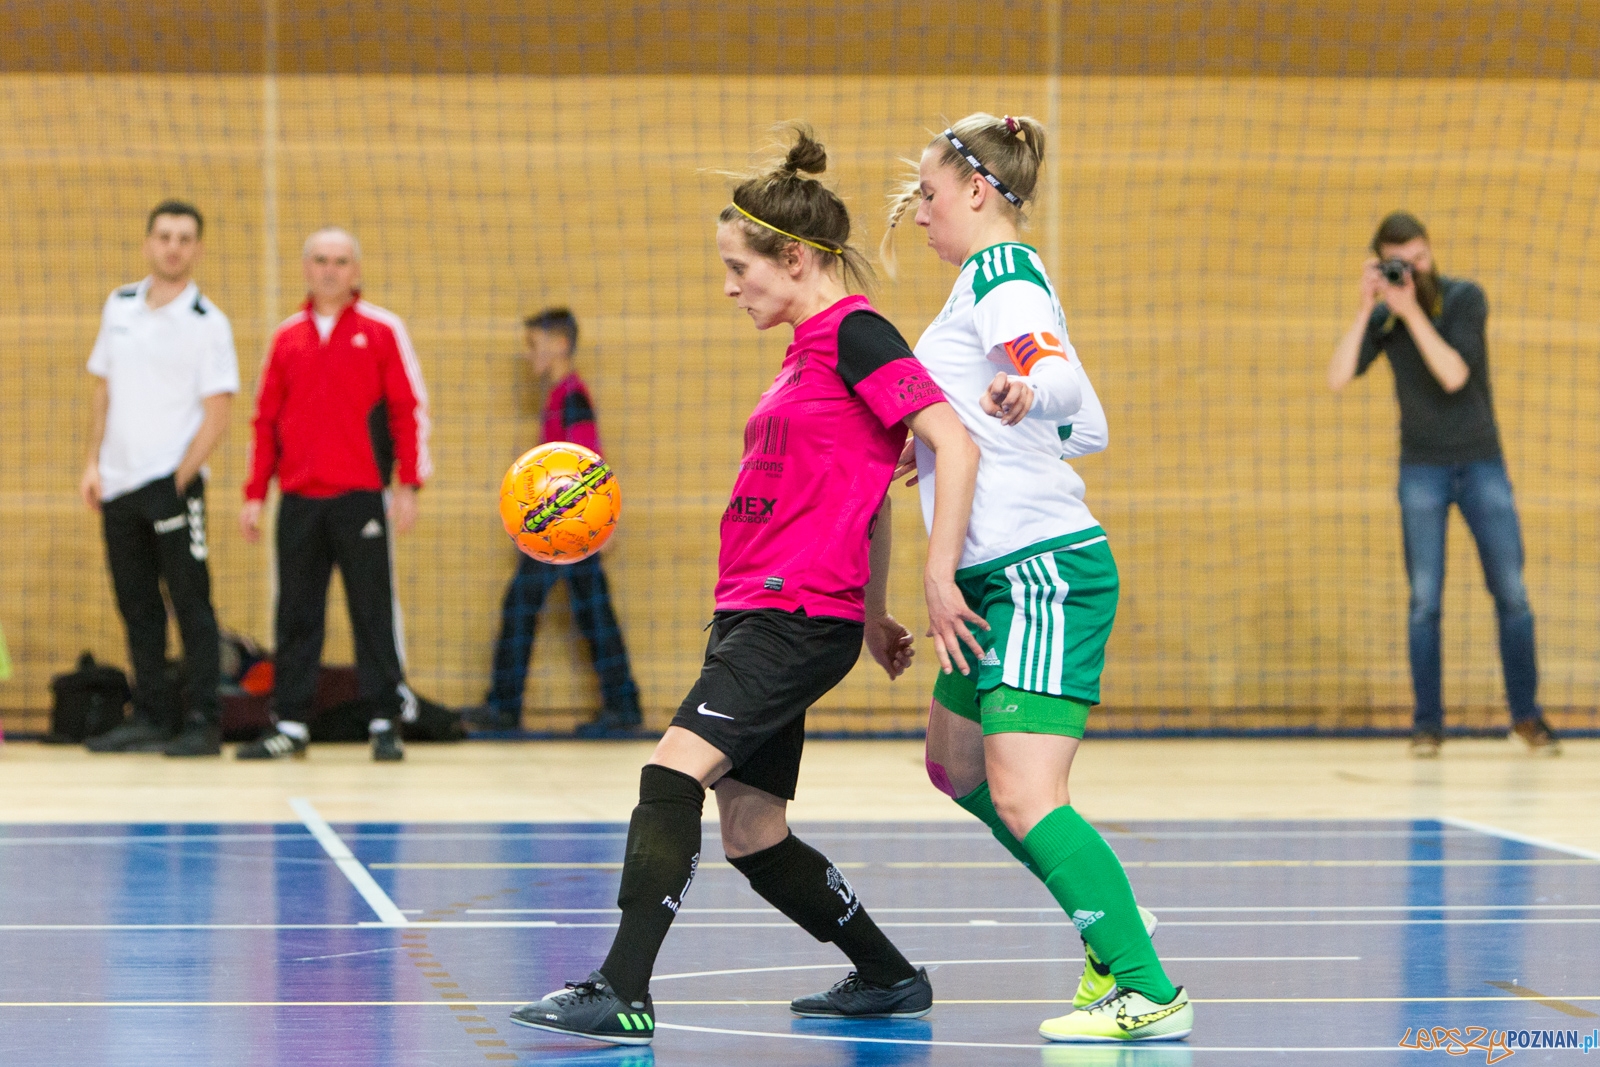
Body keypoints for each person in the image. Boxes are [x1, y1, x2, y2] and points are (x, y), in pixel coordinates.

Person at [508, 126, 983, 1046]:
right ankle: (890, 975)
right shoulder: (806, 349)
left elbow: (950, 442)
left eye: (740, 267)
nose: (731, 287)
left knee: (669, 773)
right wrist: (875, 610)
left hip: (792, 613)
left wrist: (937, 573)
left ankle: (622, 987)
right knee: (754, 831)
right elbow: (867, 488)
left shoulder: (856, 334)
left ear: (794, 258)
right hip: (762, 609)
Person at [886, 112, 1191, 1043]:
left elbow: (1056, 384)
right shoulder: (994, 286)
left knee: (1024, 793)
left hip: (1039, 571)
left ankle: (1144, 984)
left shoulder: (1002, 274)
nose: (920, 213)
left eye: (929, 195)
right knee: (956, 765)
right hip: (996, 575)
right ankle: (1108, 920)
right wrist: (965, 433)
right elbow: (1088, 423)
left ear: (978, 191)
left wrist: (1026, 386)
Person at [1328, 212, 1559, 758]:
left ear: (1431, 251)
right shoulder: (1385, 318)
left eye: (1420, 259)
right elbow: (1337, 377)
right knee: (1424, 602)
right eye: (1399, 264)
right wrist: (1366, 310)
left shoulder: (1464, 299)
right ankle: (1428, 724)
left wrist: (1410, 311)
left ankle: (1526, 717)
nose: (1413, 271)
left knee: (1512, 593)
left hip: (1481, 462)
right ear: (1382, 264)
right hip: (1421, 470)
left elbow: (1453, 374)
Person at [237, 227, 431, 762]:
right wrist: (255, 494)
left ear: (355, 270)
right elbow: (265, 420)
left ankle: (385, 721)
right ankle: (290, 724)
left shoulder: (383, 330)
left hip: (361, 498)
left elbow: (407, 409)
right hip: (299, 500)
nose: (330, 269)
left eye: (340, 261)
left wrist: (408, 484)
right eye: (321, 260)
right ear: (306, 267)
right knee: (296, 613)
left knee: (372, 610)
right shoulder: (286, 338)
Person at [79, 200, 238, 758]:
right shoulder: (119, 305)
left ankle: (203, 720)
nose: (173, 247)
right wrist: (93, 463)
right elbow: (104, 389)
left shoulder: (208, 323)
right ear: (149, 242)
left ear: (197, 249)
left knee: (191, 603)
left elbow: (218, 413)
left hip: (172, 484)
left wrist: (177, 482)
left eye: (184, 238)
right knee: (137, 605)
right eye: (165, 236)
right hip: (118, 485)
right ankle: (150, 714)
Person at [467, 308, 643, 737]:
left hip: (564, 530)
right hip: (562, 527)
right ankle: (622, 706)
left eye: (534, 345)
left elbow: (587, 463)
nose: (530, 355)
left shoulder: (571, 397)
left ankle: (505, 707)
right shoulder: (560, 395)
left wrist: (597, 522)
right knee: (589, 610)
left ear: (560, 344)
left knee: (529, 607)